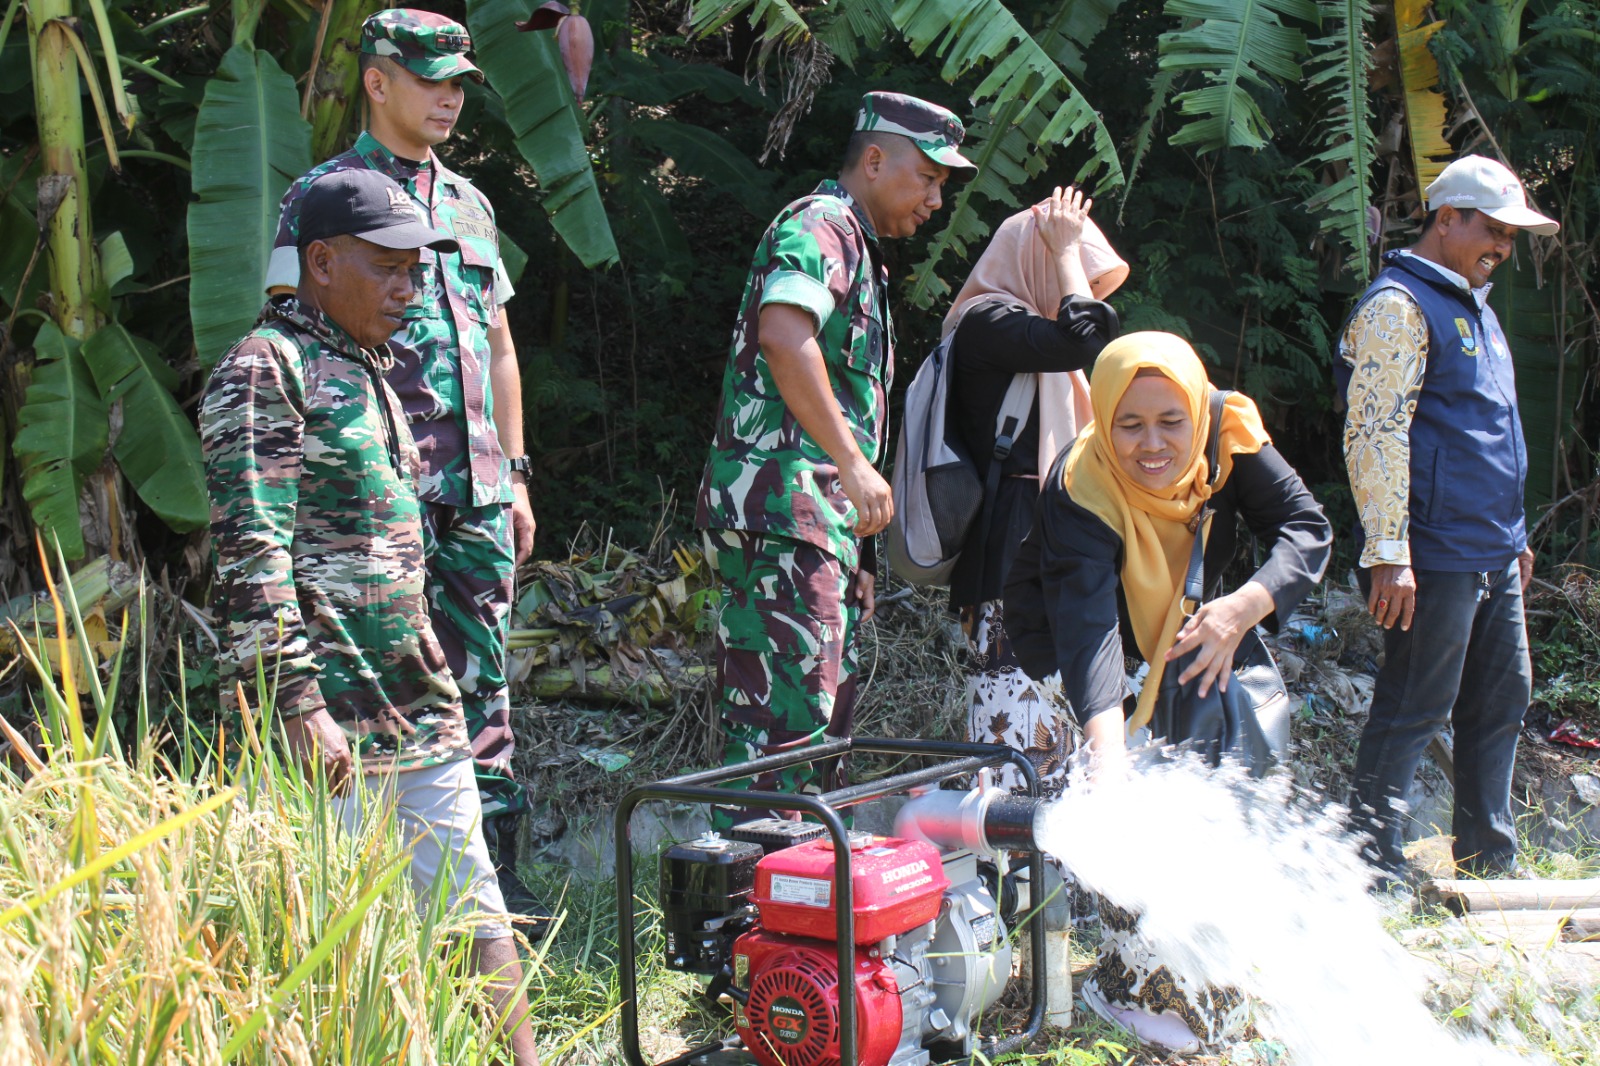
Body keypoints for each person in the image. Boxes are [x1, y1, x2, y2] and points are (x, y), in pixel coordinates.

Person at [203, 168, 540, 1065]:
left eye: (415, 269)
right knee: (336, 953)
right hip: (331, 730)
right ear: (320, 261)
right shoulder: (264, 370)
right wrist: (295, 702)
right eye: (388, 267)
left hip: (419, 706)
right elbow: (251, 555)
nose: (408, 289)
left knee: (477, 913)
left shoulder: (370, 375)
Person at [266, 9, 543, 918]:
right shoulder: (324, 195)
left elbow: (498, 340)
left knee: (484, 683)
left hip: (476, 492)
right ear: (377, 81)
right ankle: (371, 906)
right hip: (379, 495)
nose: (450, 96)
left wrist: (517, 470)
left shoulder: (470, 201)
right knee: (377, 689)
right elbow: (288, 338)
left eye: (459, 81)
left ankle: (493, 896)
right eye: (430, 79)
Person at [1006, 332, 1331, 1053]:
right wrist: (1108, 762)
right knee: (1122, 803)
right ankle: (1123, 987)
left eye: (1169, 422)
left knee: (1216, 794)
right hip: (1072, 638)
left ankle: (1218, 969)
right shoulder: (1080, 487)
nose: (1152, 445)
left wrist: (1244, 605)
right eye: (1129, 424)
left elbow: (1305, 529)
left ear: (1196, 410)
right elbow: (1086, 633)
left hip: (1188, 624)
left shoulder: (1227, 429)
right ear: (1105, 418)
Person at [695, 91, 975, 826]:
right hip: (781, 513)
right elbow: (785, 337)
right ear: (876, 160)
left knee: (817, 741)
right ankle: (744, 931)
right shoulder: (819, 227)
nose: (937, 200)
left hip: (817, 527)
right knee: (780, 748)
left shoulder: (858, 247)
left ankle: (803, 926)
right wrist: (853, 464)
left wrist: (859, 556)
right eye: (930, 177)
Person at [1340, 155, 1558, 883]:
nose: (1501, 244)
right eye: (1490, 229)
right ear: (1446, 218)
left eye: (1509, 233)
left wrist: (1516, 537)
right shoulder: (1397, 306)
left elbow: (1491, 431)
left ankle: (1489, 858)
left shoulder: (1477, 306)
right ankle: (1372, 866)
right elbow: (1376, 432)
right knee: (1415, 703)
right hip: (1431, 553)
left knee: (1502, 698)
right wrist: (1388, 551)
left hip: (1492, 549)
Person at [944, 186, 1124, 795]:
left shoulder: (1032, 340)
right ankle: (1008, 879)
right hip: (1014, 552)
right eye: (1071, 272)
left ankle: (1058, 879)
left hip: (1056, 543)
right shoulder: (987, 322)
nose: (1084, 295)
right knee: (1016, 732)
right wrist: (1065, 247)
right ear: (1036, 257)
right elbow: (1083, 338)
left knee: (1068, 732)